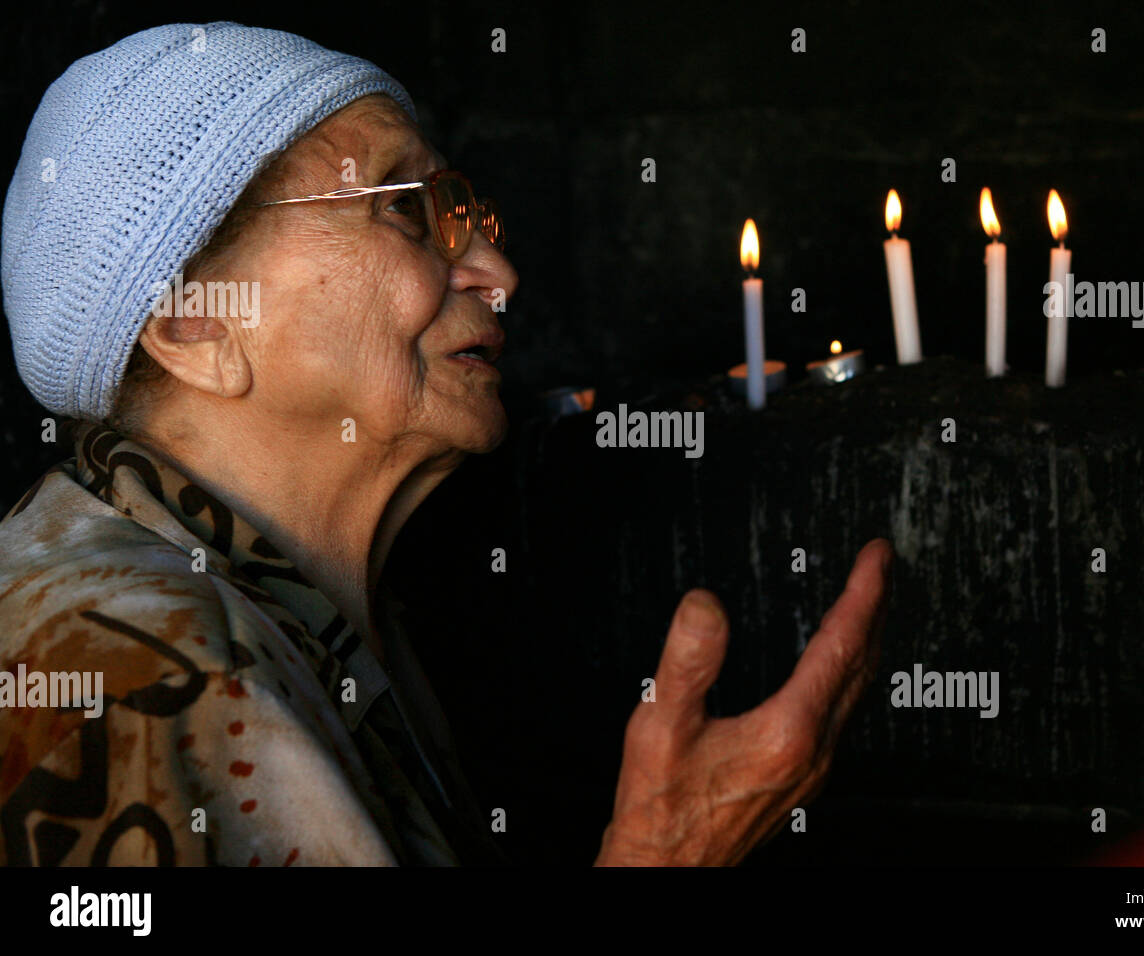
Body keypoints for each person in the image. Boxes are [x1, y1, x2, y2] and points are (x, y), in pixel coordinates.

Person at [0, 22, 892, 866]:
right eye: (400, 209)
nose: (497, 277)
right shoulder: (136, 670)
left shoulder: (320, 617)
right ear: (193, 323)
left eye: (461, 214)